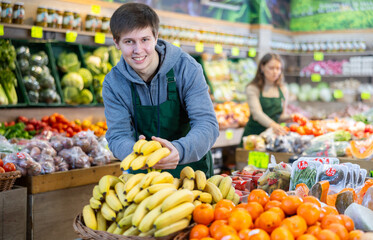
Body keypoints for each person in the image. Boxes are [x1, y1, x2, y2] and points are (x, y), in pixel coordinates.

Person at [102, 3, 219, 178]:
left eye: (145, 40)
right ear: (116, 43)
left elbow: (207, 124)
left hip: (191, 173)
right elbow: (117, 135)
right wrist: (138, 154)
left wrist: (179, 150)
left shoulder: (186, 68)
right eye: (129, 42)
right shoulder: (114, 83)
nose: (138, 50)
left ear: (156, 37)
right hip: (143, 177)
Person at [241, 53, 288, 143]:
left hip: (272, 137)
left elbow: (280, 116)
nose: (275, 72)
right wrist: (273, 125)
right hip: (253, 137)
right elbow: (257, 114)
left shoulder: (283, 89)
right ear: (262, 68)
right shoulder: (253, 88)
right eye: (271, 68)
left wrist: (291, 117)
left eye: (278, 68)